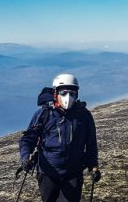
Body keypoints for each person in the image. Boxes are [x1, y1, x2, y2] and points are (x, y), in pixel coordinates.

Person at [19, 73, 101, 202]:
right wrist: (25, 158)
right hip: (48, 173)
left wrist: (93, 165)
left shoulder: (84, 116)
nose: (68, 97)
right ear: (55, 93)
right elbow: (28, 140)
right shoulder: (44, 114)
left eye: (72, 93)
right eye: (63, 92)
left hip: (73, 172)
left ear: (77, 95)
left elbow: (91, 143)